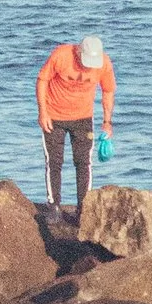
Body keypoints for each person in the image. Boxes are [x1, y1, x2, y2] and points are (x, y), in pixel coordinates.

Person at [36, 34, 115, 211]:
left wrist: (107, 122)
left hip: (83, 117)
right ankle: (54, 205)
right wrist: (43, 112)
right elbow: (42, 80)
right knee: (54, 162)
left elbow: (108, 91)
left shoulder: (104, 64)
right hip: (54, 116)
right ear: (78, 52)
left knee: (83, 162)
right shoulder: (61, 55)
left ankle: (83, 208)